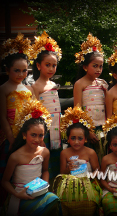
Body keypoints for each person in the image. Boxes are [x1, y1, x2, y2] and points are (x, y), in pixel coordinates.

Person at [1, 100, 61, 215]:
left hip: (39, 191)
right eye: (33, 135)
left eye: (41, 135)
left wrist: (44, 186)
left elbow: (45, 171)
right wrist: (17, 194)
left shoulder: (45, 152)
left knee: (54, 201)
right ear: (24, 135)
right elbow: (5, 182)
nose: (37, 139)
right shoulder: (15, 157)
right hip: (20, 194)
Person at [0, 33, 34, 206]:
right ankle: (7, 203)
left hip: (25, 135)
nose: (21, 74)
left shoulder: (27, 89)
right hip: (9, 136)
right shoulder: (3, 89)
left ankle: (25, 197)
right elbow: (3, 117)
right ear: (7, 70)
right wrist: (11, 139)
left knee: (22, 168)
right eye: (17, 70)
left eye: (24, 70)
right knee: (8, 168)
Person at [54, 106, 102, 216]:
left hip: (88, 184)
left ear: (85, 139)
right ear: (68, 138)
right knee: (66, 199)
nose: (76, 142)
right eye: (73, 138)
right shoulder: (64, 153)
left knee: (88, 200)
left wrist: (90, 176)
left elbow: (98, 171)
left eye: (80, 138)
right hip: (70, 185)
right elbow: (61, 174)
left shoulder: (90, 153)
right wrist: (68, 169)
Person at [31, 31, 63, 180]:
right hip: (45, 130)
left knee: (57, 158)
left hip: (57, 127)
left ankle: (56, 185)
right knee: (45, 160)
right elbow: (34, 111)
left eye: (54, 65)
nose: (51, 68)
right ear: (38, 65)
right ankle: (44, 187)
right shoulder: (35, 87)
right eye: (47, 65)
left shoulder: (53, 84)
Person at [73, 33, 108, 152]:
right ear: (85, 67)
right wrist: (88, 130)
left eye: (101, 66)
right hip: (88, 129)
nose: (99, 69)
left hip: (103, 126)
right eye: (95, 66)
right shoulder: (79, 84)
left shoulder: (102, 83)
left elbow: (108, 105)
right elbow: (78, 110)